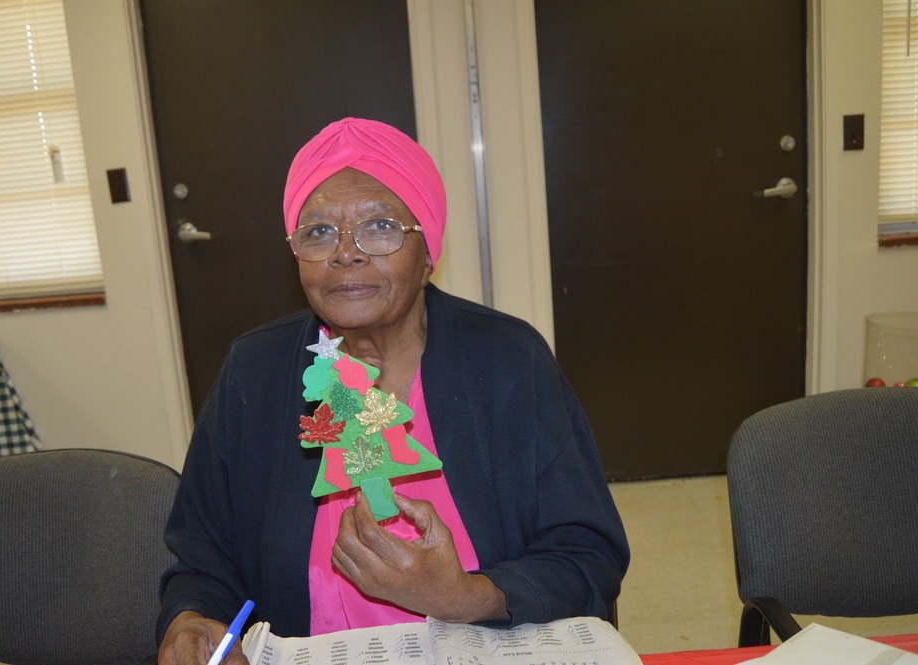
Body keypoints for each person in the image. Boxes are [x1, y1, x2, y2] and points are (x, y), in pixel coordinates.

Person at [157, 117, 629, 664]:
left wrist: (462, 595)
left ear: (428, 254)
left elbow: (587, 555)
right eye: (317, 232)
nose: (346, 254)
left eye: (380, 226)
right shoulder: (254, 371)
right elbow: (201, 557)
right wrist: (190, 619)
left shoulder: (507, 360)